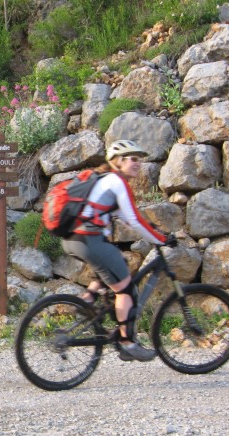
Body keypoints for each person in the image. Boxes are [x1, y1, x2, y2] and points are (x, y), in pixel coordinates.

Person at [61, 140, 171, 362]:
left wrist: (155, 230)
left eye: (140, 159)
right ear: (118, 161)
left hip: (74, 238)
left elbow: (125, 217)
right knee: (126, 289)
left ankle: (88, 300)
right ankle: (127, 343)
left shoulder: (105, 181)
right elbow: (134, 219)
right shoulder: (116, 181)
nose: (138, 163)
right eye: (133, 159)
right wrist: (161, 240)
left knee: (115, 262)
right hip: (89, 239)